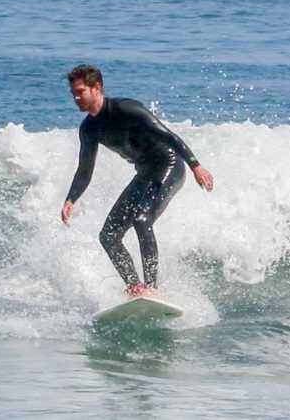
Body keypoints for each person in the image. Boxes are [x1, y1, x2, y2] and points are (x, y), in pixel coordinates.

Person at [61, 64, 214, 297]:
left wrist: (195, 166)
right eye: (73, 92)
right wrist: (71, 199)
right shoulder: (89, 129)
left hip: (169, 166)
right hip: (145, 173)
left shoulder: (127, 109)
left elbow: (168, 136)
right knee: (109, 235)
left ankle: (152, 287)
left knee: (142, 220)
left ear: (97, 88)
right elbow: (84, 170)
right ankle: (135, 286)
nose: (75, 97)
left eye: (80, 91)